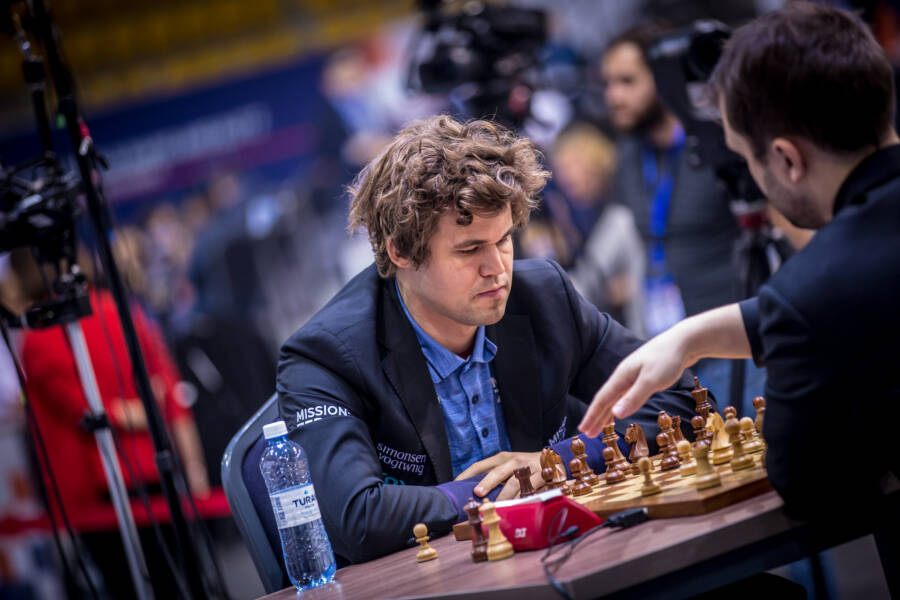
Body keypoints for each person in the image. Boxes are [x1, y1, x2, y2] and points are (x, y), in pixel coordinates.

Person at [276, 115, 706, 564]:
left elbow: (682, 401)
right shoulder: (325, 356)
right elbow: (355, 519)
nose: (497, 269)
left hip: (560, 561)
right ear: (400, 251)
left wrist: (549, 463)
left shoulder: (545, 297)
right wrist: (501, 489)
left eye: (503, 240)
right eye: (468, 250)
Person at [580, 3, 900, 518]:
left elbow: (807, 483)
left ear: (787, 159)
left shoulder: (815, 290)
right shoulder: (839, 277)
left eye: (747, 158)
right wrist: (690, 338)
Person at [600, 25, 765, 413]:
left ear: (664, 82)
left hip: (731, 349)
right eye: (607, 83)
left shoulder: (719, 146)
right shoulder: (628, 155)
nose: (613, 96)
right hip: (666, 354)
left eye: (627, 81)